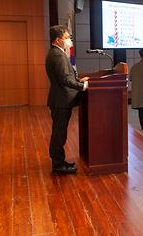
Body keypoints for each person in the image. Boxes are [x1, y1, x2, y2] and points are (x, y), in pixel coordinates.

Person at [45, 25, 89, 174]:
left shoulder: (57, 53)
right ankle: (58, 165)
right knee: (59, 134)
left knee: (60, 133)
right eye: (67, 37)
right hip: (61, 101)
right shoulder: (57, 55)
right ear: (58, 40)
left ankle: (59, 161)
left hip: (61, 100)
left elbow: (66, 76)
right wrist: (82, 86)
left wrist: (78, 79)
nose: (70, 40)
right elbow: (64, 79)